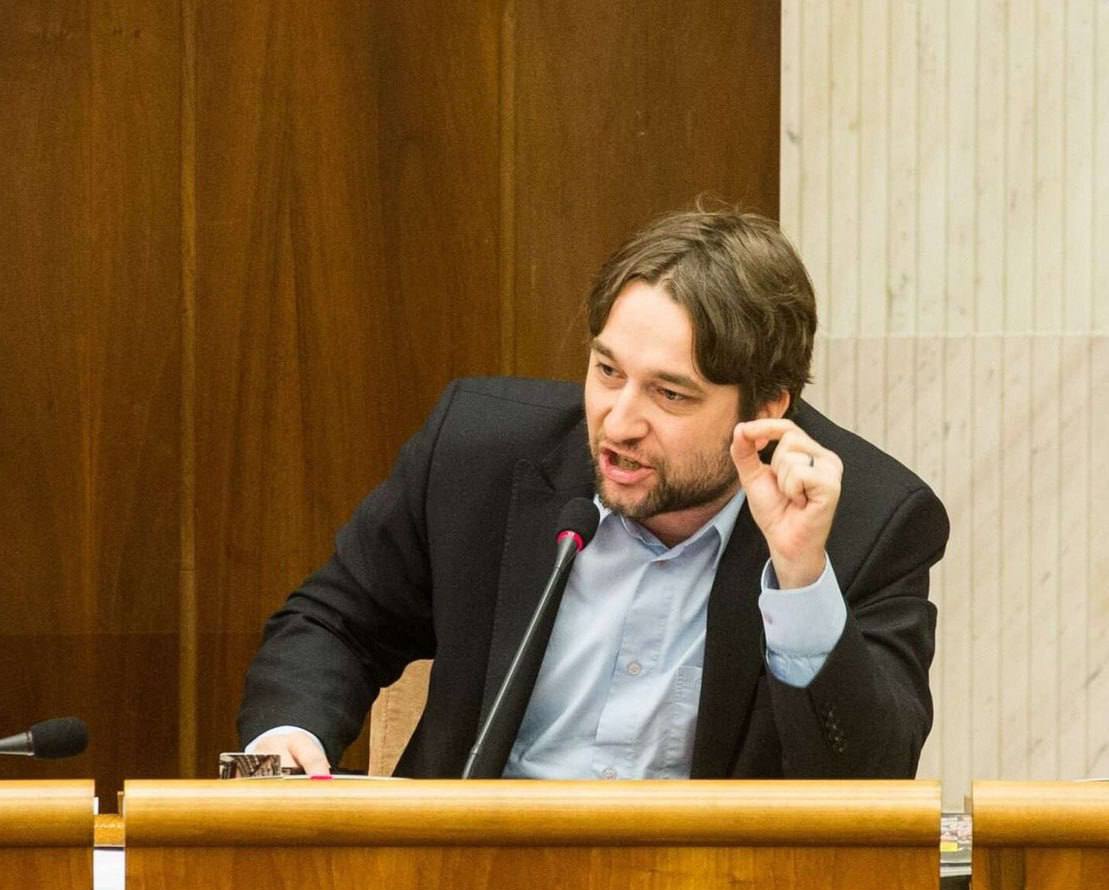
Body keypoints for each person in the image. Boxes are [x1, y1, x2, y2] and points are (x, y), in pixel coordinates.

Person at [238, 208, 949, 779]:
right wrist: (287, 737)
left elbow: (871, 779)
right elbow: (337, 621)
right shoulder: (481, 456)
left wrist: (800, 580)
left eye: (670, 394)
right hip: (469, 883)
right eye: (608, 372)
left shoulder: (867, 522)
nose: (618, 422)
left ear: (766, 409)